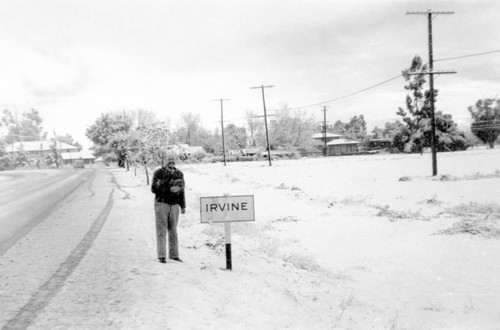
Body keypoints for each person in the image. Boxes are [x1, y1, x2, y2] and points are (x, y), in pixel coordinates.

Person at [151, 154, 186, 263]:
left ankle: (174, 255)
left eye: (173, 159)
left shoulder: (179, 174)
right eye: (169, 159)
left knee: (173, 231)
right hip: (162, 203)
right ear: (165, 161)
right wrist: (169, 189)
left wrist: (183, 205)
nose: (171, 161)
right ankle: (161, 255)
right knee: (161, 230)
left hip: (175, 205)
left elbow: (182, 190)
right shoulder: (159, 173)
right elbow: (154, 188)